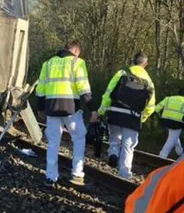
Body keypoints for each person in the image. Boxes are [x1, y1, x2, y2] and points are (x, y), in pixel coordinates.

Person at [35, 41, 93, 186]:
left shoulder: (47, 64)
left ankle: (50, 177)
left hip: (51, 108)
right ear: (75, 51)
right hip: (70, 108)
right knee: (79, 138)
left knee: (53, 142)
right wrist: (92, 108)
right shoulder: (77, 62)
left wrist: (40, 108)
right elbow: (83, 87)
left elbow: (40, 88)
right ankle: (77, 174)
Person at [99, 52, 156, 179]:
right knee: (128, 146)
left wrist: (101, 111)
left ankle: (113, 153)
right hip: (133, 117)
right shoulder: (149, 81)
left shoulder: (122, 73)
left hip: (115, 113)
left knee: (114, 138)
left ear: (133, 61)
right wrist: (143, 117)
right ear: (145, 64)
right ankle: (124, 173)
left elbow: (108, 93)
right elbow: (151, 106)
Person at [153, 86, 184, 159]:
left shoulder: (169, 98)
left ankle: (179, 151)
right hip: (177, 123)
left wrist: (153, 114)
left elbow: (157, 108)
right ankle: (162, 156)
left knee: (173, 137)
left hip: (165, 121)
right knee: (171, 139)